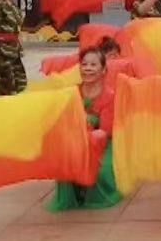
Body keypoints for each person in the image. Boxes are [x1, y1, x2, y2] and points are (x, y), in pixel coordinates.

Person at [47, 46, 122, 210]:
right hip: (76, 141)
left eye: (93, 65)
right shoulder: (72, 93)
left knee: (100, 170)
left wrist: (85, 139)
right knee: (64, 162)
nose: (88, 69)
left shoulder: (110, 96)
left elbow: (105, 131)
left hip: (103, 144)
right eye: (84, 64)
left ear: (103, 70)